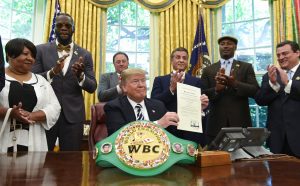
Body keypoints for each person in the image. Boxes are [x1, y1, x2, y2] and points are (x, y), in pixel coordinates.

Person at [32, 13, 97, 151]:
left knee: (72, 161)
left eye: (67, 25)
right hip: (45, 113)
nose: (63, 28)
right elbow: (33, 79)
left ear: (73, 29)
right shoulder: (40, 50)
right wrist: (52, 72)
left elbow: (92, 87)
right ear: (54, 28)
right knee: (42, 158)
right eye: (59, 25)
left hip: (73, 115)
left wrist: (80, 76)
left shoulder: (85, 54)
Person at [0, 38, 61, 152]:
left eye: (33, 55)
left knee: (32, 169)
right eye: (25, 54)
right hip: (3, 137)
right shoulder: (1, 78)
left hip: (34, 140)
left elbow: (54, 107)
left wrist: (32, 115)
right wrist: (9, 113)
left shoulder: (41, 81)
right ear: (10, 55)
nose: (30, 58)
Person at [200, 36, 259, 143]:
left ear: (235, 47)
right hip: (215, 125)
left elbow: (255, 90)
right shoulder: (208, 70)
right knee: (216, 158)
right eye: (222, 44)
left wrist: (235, 84)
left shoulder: (246, 67)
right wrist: (216, 89)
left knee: (242, 158)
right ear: (219, 47)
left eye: (229, 43)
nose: (225, 46)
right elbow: (201, 94)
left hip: (240, 124)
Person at [151, 47, 208, 146]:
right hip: (168, 130)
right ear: (171, 60)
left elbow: (204, 107)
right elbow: (154, 103)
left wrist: (203, 107)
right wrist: (171, 89)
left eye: (184, 58)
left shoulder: (197, 81)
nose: (181, 60)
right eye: (178, 57)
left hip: (191, 131)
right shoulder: (160, 80)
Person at [255, 40, 300, 157]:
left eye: (285, 54)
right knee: (278, 174)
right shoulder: (270, 75)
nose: (281, 57)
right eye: (278, 55)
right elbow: (260, 100)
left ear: (297, 53)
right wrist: (273, 84)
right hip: (277, 140)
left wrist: (288, 83)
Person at [104, 68, 182, 135]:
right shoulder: (114, 107)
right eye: (135, 81)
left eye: (143, 81)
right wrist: (157, 125)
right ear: (124, 87)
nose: (141, 85)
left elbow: (172, 133)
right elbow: (119, 135)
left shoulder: (158, 106)